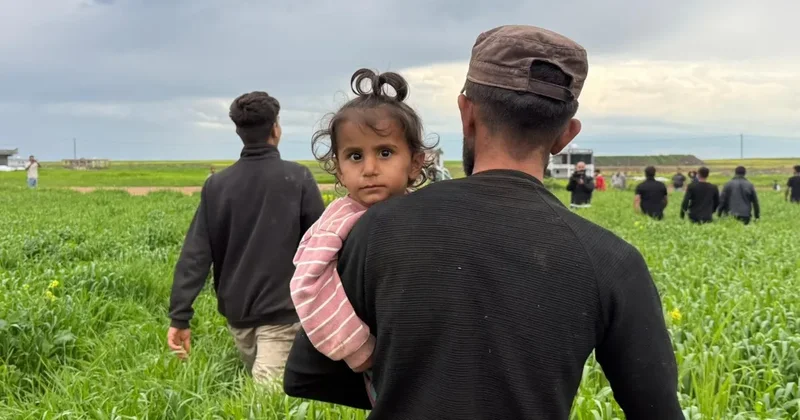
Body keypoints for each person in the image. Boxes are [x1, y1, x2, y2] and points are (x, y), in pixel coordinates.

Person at [284, 25, 682, 419]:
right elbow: (657, 409)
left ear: (466, 113)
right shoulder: (612, 260)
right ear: (566, 136)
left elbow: (306, 375)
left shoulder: (373, 228)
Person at [290, 68, 431, 403]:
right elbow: (308, 286)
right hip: (378, 359)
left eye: (385, 153)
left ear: (415, 162)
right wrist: (360, 351)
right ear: (339, 169)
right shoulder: (339, 221)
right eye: (355, 156)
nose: (369, 168)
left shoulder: (425, 211)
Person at [167, 91, 325, 384]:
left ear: (239, 132)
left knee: (266, 399)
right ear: (275, 129)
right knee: (270, 403)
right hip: (284, 309)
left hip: (243, 316)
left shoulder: (217, 185)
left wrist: (180, 316)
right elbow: (324, 247)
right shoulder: (298, 178)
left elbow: (196, 255)